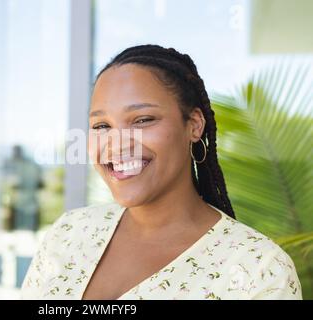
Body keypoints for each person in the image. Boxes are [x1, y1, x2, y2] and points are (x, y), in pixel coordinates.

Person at [21, 45, 302, 300]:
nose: (117, 144)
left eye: (142, 120)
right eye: (101, 126)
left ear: (194, 124)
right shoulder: (69, 232)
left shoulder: (258, 270)